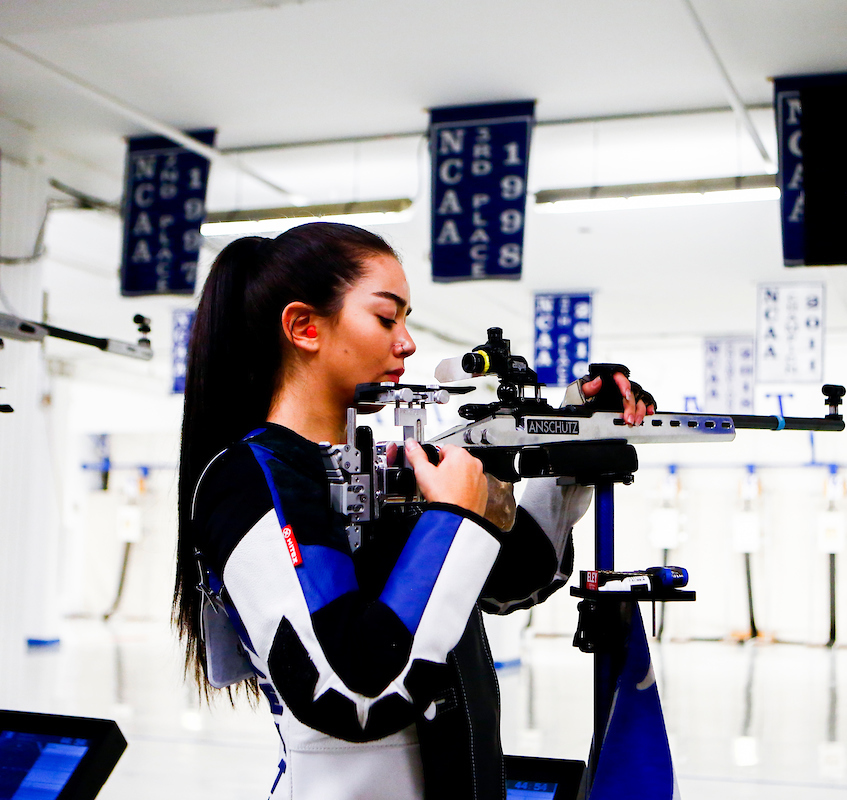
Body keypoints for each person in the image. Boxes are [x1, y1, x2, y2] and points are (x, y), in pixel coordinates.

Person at [173, 222, 653, 800]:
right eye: (385, 317)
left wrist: (573, 434)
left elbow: (513, 581)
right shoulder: (250, 478)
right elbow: (352, 693)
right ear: (304, 327)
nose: (407, 342)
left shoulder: (383, 467)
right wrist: (453, 517)